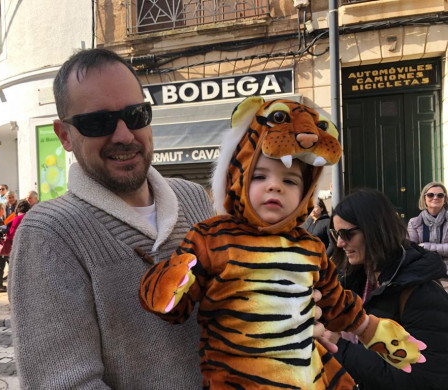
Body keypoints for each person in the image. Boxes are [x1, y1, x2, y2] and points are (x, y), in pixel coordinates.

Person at [10, 48, 331, 390]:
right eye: (98, 122)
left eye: (135, 115)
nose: (123, 135)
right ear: (64, 135)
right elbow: (64, 383)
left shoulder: (194, 197)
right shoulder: (50, 234)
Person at [140, 97, 424, 389]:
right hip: (238, 379)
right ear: (238, 177)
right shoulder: (211, 237)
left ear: (306, 193)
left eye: (290, 181)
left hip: (307, 375)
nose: (275, 185)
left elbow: (336, 301)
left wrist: (370, 330)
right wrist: (169, 283)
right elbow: (175, 309)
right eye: (260, 176)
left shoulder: (310, 247)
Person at [322, 188, 448, 389]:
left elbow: (423, 379)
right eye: (335, 233)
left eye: (347, 234)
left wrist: (339, 347)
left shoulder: (421, 294)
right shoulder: (354, 278)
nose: (339, 243)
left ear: (375, 230)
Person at [407, 182, 448, 283]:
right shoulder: (414, 222)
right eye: (430, 195)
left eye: (440, 195)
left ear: (444, 199)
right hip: (424, 272)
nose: (435, 197)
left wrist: (426, 246)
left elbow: (419, 247)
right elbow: (412, 249)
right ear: (424, 198)